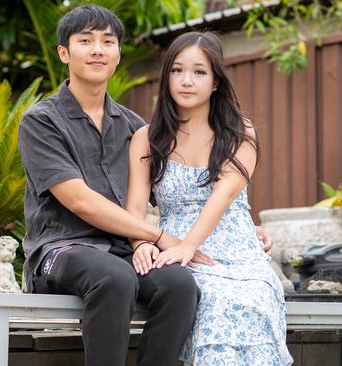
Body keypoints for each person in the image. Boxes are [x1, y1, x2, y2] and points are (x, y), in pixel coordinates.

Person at [18, 6, 201, 366]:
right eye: (85, 41)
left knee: (179, 285)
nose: (98, 49)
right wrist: (158, 235)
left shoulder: (135, 128)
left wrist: (245, 228)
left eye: (108, 41)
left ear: (118, 55)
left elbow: (180, 191)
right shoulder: (41, 121)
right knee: (115, 277)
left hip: (123, 252)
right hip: (61, 249)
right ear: (64, 53)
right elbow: (80, 201)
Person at [125, 32, 293, 365]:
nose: (186, 81)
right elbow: (135, 207)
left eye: (199, 72)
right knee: (211, 299)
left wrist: (190, 244)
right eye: (177, 70)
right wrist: (140, 243)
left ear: (216, 81)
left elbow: (225, 193)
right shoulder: (147, 137)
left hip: (237, 250)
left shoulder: (239, 133)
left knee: (248, 298)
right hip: (174, 249)